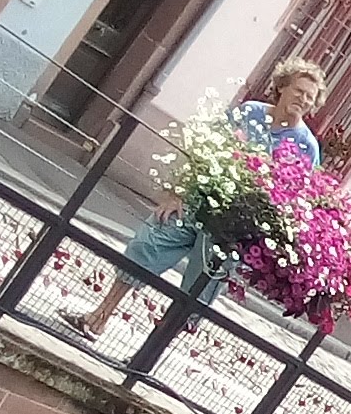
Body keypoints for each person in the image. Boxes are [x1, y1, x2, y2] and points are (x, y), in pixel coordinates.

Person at [65, 57, 328, 337]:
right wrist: (175, 194)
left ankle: (149, 352)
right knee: (147, 245)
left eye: (310, 97)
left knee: (199, 290)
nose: (303, 100)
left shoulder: (306, 146)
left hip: (234, 231)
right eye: (299, 91)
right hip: (197, 202)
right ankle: (98, 318)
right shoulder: (249, 113)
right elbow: (205, 149)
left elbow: (295, 200)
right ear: (282, 87)